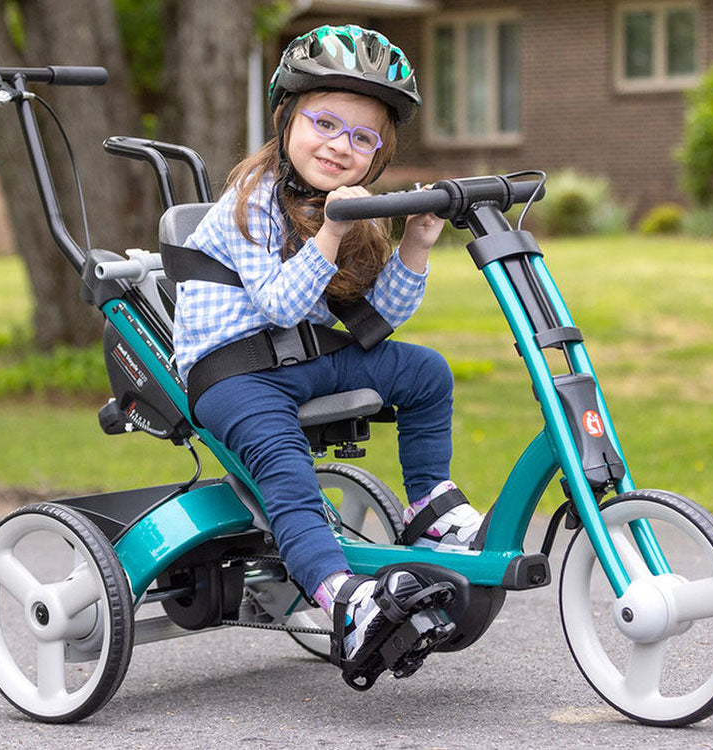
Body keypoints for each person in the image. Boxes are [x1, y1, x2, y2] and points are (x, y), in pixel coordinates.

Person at [172, 24, 483, 679]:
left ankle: (428, 507)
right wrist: (336, 229)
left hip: (305, 360)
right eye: (325, 123)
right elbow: (281, 305)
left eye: (363, 137)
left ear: (378, 153)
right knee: (287, 477)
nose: (341, 146)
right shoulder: (254, 198)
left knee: (424, 372)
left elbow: (376, 322)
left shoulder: (343, 207)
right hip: (234, 373)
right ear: (286, 118)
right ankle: (340, 599)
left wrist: (415, 246)